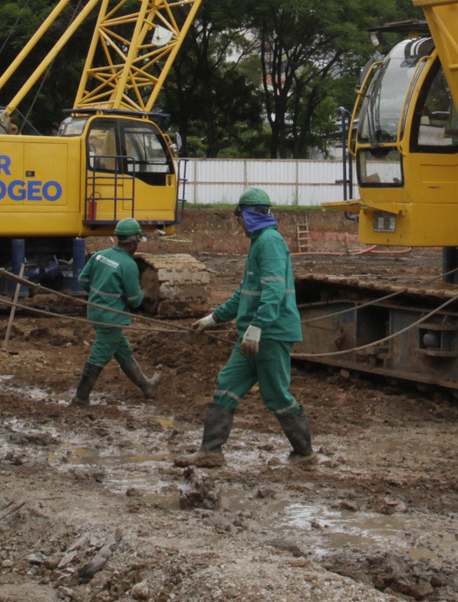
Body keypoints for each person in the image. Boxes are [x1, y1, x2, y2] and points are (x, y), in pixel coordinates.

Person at [174, 188, 314, 468]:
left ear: (246, 215)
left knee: (276, 394)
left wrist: (258, 327)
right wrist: (215, 317)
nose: (238, 223)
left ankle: (305, 454)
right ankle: (210, 451)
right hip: (253, 334)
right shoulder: (260, 242)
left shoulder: (270, 242)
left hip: (270, 334)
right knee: (227, 383)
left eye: (238, 217)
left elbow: (274, 290)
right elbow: (245, 292)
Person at [70, 218, 162, 406]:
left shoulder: (99, 256)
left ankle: (146, 385)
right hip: (111, 317)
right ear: (133, 242)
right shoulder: (128, 264)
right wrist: (143, 296)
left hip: (95, 312)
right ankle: (80, 398)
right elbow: (135, 301)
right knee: (99, 354)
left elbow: (83, 281)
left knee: (122, 350)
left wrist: (101, 292)